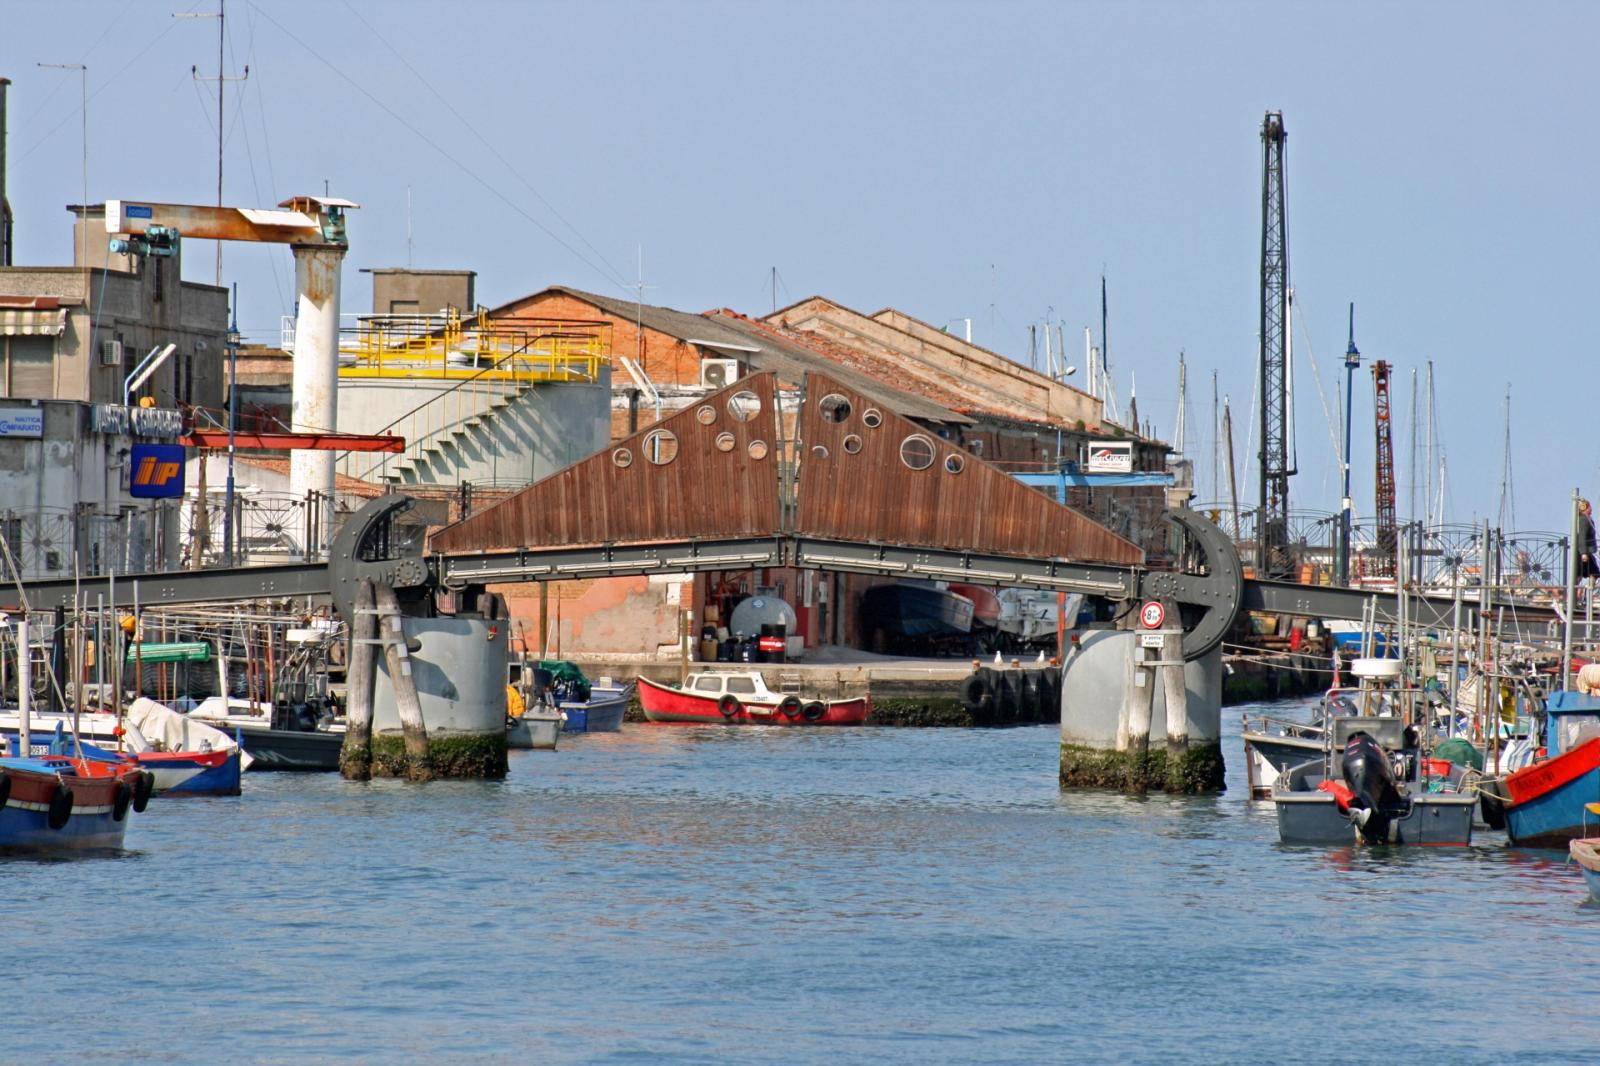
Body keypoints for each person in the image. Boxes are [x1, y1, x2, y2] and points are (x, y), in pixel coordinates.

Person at [1581, 499, 1600, 581]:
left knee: (1591, 573)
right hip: (1584, 552)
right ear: (1585, 507)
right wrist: (1584, 553)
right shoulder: (1584, 520)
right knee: (1593, 572)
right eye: (1590, 507)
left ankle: (1584, 590)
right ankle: (1582, 591)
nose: (1591, 509)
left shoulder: (1587, 519)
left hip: (1587, 552)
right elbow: (1582, 537)